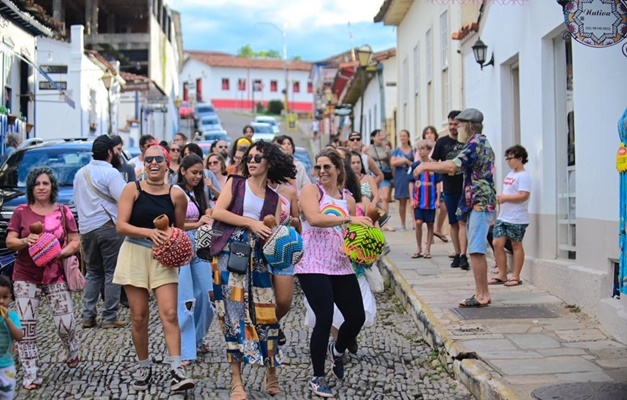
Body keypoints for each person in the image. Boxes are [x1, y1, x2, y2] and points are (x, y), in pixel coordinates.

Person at [209, 141, 296, 399]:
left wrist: (280, 233)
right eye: (250, 157)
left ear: (270, 162)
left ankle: (271, 371)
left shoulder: (274, 199)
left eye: (259, 157)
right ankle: (237, 381)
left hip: (257, 259)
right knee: (232, 316)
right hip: (228, 255)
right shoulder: (235, 183)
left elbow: (273, 235)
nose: (253, 161)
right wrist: (250, 223)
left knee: (266, 314)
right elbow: (218, 212)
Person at [113, 144, 195, 392]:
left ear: (167, 162)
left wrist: (173, 244)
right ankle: (144, 366)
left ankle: (177, 369)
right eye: (148, 160)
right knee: (138, 316)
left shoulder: (176, 194)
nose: (153, 163)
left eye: (159, 159)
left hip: (163, 259)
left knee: (170, 313)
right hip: (134, 253)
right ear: (143, 163)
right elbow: (121, 225)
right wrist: (149, 232)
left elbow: (179, 229)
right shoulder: (132, 189)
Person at [296, 148, 371, 398]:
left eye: (327, 166)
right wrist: (349, 220)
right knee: (324, 317)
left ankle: (336, 350)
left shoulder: (347, 198)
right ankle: (318, 377)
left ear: (339, 169)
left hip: (340, 264)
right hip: (312, 263)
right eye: (318, 167)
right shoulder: (311, 191)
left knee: (357, 316)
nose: (322, 172)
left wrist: (364, 247)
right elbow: (314, 219)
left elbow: (350, 234)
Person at [412, 108, 496, 307]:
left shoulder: (476, 144)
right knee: (476, 249)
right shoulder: (478, 143)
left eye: (459, 125)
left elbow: (452, 166)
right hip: (477, 202)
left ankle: (481, 295)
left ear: (468, 126)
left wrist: (425, 166)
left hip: (480, 202)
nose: (457, 129)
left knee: (475, 249)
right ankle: (482, 293)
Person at [6, 167, 81, 390]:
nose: (41, 187)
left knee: (65, 324)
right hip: (25, 276)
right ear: (31, 187)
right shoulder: (21, 211)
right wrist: (25, 240)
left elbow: (76, 241)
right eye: (37, 183)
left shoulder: (63, 211)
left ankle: (71, 349)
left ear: (52, 187)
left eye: (45, 183)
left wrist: (61, 252)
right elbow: (10, 241)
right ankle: (31, 374)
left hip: (55, 274)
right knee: (27, 327)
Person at [74, 135, 127, 329]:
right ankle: (109, 317)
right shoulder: (111, 173)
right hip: (108, 227)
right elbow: (123, 198)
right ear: (109, 152)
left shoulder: (80, 173)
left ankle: (88, 316)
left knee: (93, 272)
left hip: (86, 229)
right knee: (112, 272)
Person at [176, 154, 214, 364]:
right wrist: (198, 222)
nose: (198, 176)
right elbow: (176, 224)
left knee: (209, 297)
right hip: (183, 246)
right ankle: (185, 349)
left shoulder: (200, 192)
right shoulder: (177, 192)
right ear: (183, 171)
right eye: (194, 172)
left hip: (201, 247)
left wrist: (207, 215)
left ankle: (199, 337)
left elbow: (204, 214)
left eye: (200, 173)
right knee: (186, 300)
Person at [489, 145, 531, 287]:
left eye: (511, 158)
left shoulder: (523, 176)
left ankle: (516, 276)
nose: (508, 161)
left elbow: (523, 195)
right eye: (507, 159)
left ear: (520, 159)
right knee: (496, 243)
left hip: (517, 217)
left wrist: (505, 198)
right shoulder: (510, 175)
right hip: (504, 216)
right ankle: (502, 274)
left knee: (516, 244)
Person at [431, 111, 469, 269]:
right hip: (449, 187)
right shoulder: (442, 142)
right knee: (453, 222)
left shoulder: (467, 142)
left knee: (462, 222)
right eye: (450, 124)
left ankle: (463, 255)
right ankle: (457, 252)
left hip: (466, 187)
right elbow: (433, 163)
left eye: (456, 124)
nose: (453, 127)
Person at [267, 171, 301, 347]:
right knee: (263, 298)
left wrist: (293, 222)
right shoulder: (254, 190)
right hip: (261, 248)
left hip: (283, 248)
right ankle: (267, 331)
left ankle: (270, 322)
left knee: (284, 301)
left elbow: (297, 219)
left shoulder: (289, 191)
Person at [408, 140, 442, 259]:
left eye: (423, 148)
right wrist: (411, 199)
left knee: (430, 224)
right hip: (418, 200)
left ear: (429, 150)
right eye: (419, 149)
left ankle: (428, 249)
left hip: (430, 201)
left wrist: (438, 199)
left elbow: (438, 183)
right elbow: (411, 183)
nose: (421, 151)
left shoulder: (434, 166)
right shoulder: (415, 166)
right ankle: (419, 247)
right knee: (418, 223)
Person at [0, 275, 23, 398]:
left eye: (4, 297)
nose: (1, 301)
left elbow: (19, 337)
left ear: (10, 298)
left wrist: (7, 320)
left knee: (7, 396)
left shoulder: (13, 317)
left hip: (6, 367)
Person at [368, 130, 393, 228]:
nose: (380, 137)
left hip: (385, 173)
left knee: (385, 198)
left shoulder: (386, 148)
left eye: (382, 135)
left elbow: (390, 162)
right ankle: (375, 220)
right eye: (378, 135)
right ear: (373, 137)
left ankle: (386, 223)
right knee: (375, 198)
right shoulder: (368, 149)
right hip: (373, 175)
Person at [391, 129, 415, 231]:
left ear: (408, 137)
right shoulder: (396, 151)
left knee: (413, 201)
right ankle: (403, 224)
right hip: (400, 177)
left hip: (412, 177)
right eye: (401, 136)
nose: (403, 138)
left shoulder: (413, 150)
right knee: (402, 202)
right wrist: (405, 160)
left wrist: (400, 161)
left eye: (404, 136)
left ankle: (414, 223)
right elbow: (393, 162)